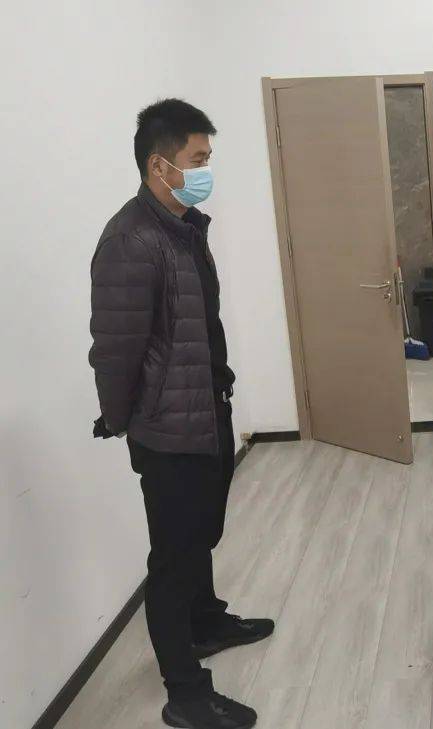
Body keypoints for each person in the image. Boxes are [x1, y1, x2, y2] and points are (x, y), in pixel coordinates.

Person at [90, 99, 273, 729]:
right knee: (173, 556)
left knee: (203, 533)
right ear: (159, 165)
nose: (205, 170)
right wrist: (122, 420)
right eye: (198, 159)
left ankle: (205, 623)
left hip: (205, 408)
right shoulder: (131, 240)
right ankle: (186, 694)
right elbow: (115, 347)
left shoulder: (184, 227)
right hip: (167, 429)